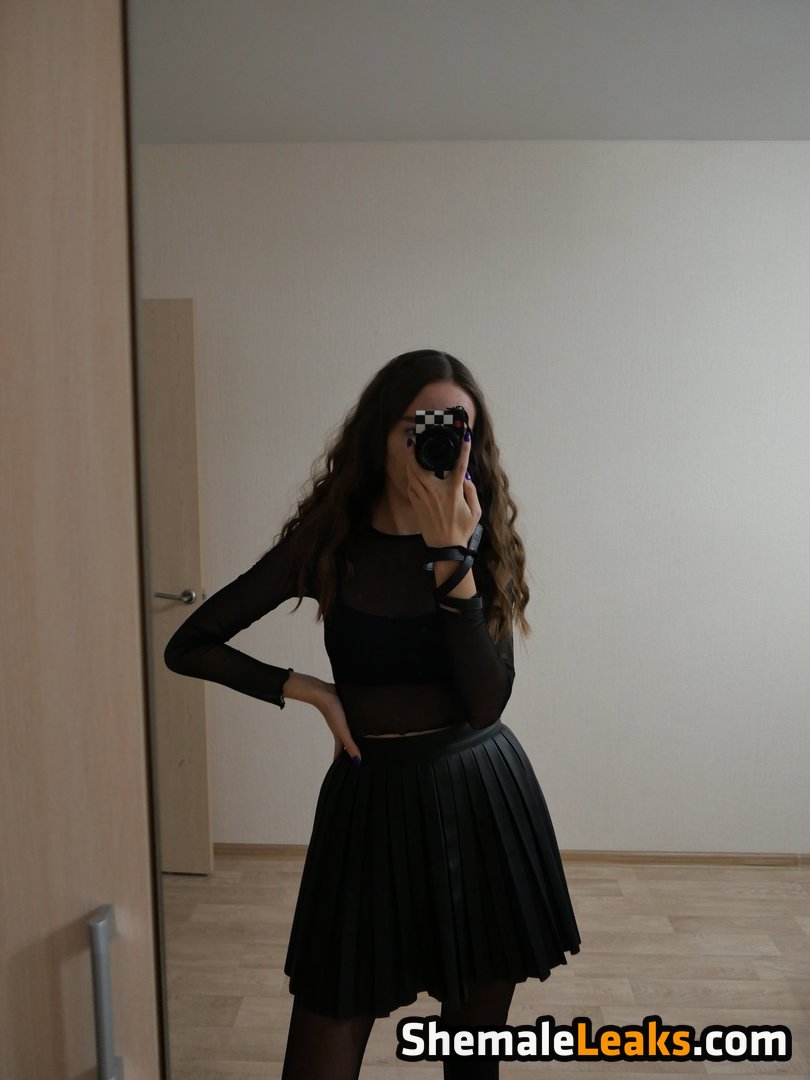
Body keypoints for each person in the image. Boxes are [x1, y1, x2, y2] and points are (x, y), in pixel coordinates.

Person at [163, 348, 581, 1080]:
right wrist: (311, 690)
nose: (438, 441)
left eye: (457, 426)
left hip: (479, 802)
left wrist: (451, 555)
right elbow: (190, 644)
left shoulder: (478, 538)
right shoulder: (330, 541)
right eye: (421, 424)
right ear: (381, 433)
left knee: (470, 1059)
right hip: (369, 808)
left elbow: (486, 701)